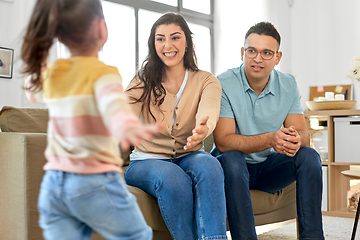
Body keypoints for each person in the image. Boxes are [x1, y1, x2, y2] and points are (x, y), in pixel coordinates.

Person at [21, 0, 161, 239]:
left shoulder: (55, 73)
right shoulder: (103, 74)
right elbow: (113, 106)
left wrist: (40, 55)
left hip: (53, 186)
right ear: (101, 28)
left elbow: (32, 90)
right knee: (137, 235)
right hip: (94, 182)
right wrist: (127, 126)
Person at [212, 22, 324, 240]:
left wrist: (293, 138)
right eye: (251, 51)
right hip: (232, 168)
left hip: (268, 168)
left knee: (309, 156)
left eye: (266, 53)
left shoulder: (288, 83)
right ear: (242, 52)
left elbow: (303, 134)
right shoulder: (223, 83)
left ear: (277, 57)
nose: (258, 58)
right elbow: (224, 142)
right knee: (233, 159)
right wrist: (271, 139)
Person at [124, 12, 228, 240]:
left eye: (175, 37)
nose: (167, 45)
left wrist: (204, 127)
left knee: (210, 165)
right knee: (173, 177)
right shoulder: (142, 80)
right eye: (160, 38)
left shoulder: (206, 80)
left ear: (187, 42)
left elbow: (209, 110)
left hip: (189, 154)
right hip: (146, 161)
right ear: (153, 44)